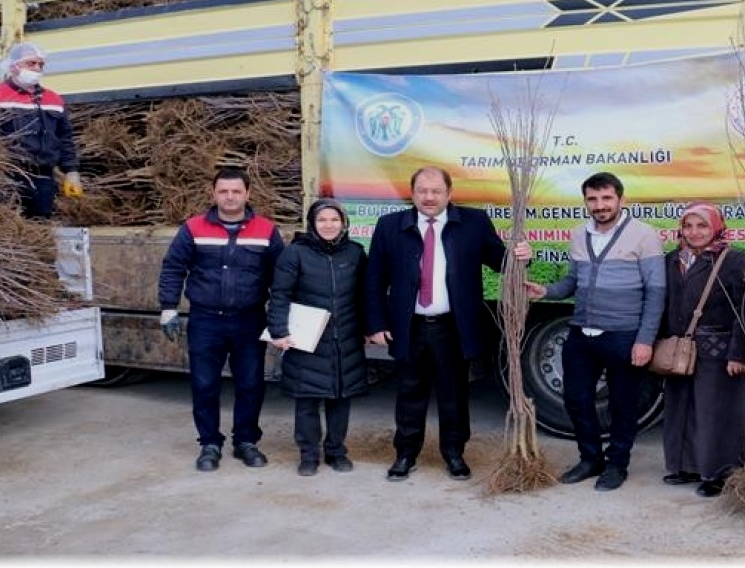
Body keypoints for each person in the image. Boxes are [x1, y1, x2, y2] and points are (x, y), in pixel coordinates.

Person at [365, 166, 531, 482]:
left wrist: (521, 255)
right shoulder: (390, 226)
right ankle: (405, 453)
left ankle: (454, 453)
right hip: (409, 325)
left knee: (454, 393)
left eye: (436, 191)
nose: (429, 197)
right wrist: (375, 323)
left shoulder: (473, 222)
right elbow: (374, 279)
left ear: (449, 193)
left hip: (452, 326)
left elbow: (502, 261)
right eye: (422, 191)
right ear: (411, 194)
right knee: (409, 391)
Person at [526, 172, 665, 491]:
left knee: (622, 404)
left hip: (623, 334)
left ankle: (617, 464)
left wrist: (644, 340)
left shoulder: (644, 235)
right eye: (593, 199)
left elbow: (656, 292)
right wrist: (545, 290)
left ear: (621, 199)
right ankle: (590, 459)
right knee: (576, 399)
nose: (600, 205)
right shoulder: (579, 235)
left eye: (606, 198)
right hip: (581, 333)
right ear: (586, 201)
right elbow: (571, 283)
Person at [158, 167, 285, 472]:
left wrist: (281, 319)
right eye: (223, 191)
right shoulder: (193, 228)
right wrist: (168, 307)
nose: (230, 197)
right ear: (213, 194)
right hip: (206, 322)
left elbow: (281, 278)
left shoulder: (267, 231)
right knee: (204, 384)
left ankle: (246, 441)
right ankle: (210, 444)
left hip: (249, 320)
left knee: (251, 383)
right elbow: (174, 267)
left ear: (248, 194)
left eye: (236, 191)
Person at [267, 199, 368, 477]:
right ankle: (308, 455)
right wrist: (279, 331)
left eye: (334, 220)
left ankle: (336, 451)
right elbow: (280, 295)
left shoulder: (355, 254)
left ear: (343, 223)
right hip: (307, 340)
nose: (328, 225)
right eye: (322, 220)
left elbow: (365, 296)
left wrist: (369, 328)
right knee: (307, 399)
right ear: (312, 223)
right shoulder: (294, 254)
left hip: (344, 339)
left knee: (340, 397)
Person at [659, 202, 745, 498]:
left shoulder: (733, 261)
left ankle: (722, 473)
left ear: (716, 227)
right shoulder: (673, 259)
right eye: (688, 225)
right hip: (681, 348)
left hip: (719, 349)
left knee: (718, 412)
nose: (694, 232)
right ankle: (687, 466)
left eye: (702, 225)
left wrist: (739, 353)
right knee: (682, 408)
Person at [0, 42, 82, 219]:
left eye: (40, 64)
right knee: (4, 225)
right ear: (14, 66)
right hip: (5, 176)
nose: (37, 68)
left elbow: (65, 138)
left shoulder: (53, 99)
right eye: (31, 63)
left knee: (39, 226)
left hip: (43, 178)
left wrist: (71, 171)